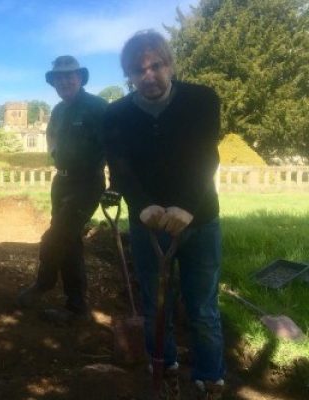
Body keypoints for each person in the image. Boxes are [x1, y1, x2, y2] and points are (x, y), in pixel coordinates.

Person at [103, 30, 225, 400]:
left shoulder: (202, 100)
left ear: (170, 64)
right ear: (129, 75)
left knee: (202, 305)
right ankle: (164, 364)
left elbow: (208, 157)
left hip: (200, 220)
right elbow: (120, 168)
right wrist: (142, 205)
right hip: (150, 223)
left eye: (156, 65)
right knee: (157, 302)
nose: (149, 75)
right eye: (138, 70)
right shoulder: (117, 114)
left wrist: (187, 206)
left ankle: (209, 377)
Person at [15, 55, 107, 323]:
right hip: (62, 182)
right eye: (59, 77)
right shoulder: (58, 110)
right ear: (53, 82)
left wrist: (116, 187)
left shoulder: (97, 107)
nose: (64, 81)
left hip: (87, 182)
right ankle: (76, 305)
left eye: (70, 75)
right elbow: (51, 134)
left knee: (56, 237)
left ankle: (44, 283)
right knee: (70, 241)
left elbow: (114, 146)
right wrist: (54, 151)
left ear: (80, 78)